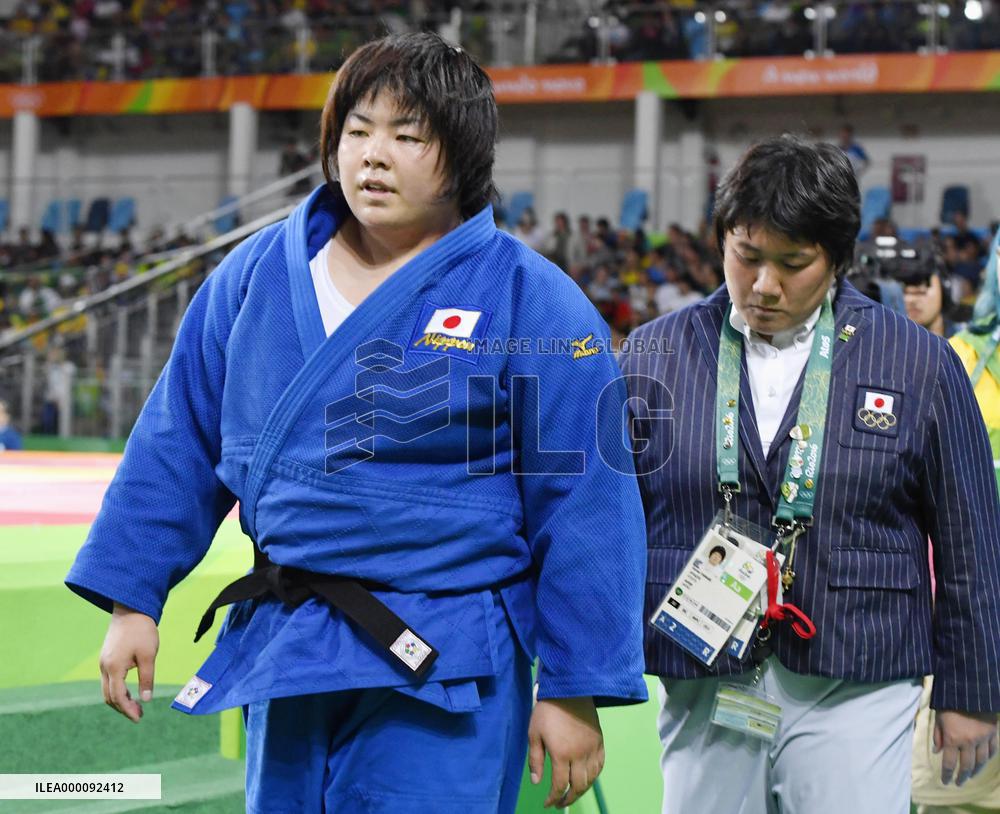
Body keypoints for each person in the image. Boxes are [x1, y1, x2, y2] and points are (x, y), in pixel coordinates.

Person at [65, 33, 647, 814]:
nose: (374, 155)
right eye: (357, 130)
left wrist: (574, 685)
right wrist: (133, 601)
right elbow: (178, 440)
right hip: (290, 637)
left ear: (463, 155)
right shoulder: (256, 275)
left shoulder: (530, 298)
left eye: (407, 136)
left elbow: (586, 501)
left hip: (449, 653)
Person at [620, 135, 1000, 814]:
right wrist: (573, 678)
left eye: (793, 263)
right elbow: (604, 521)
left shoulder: (919, 362)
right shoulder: (654, 354)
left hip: (857, 674)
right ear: (721, 239)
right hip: (706, 669)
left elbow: (972, 539)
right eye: (747, 256)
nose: (764, 285)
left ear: (837, 259)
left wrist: (971, 689)